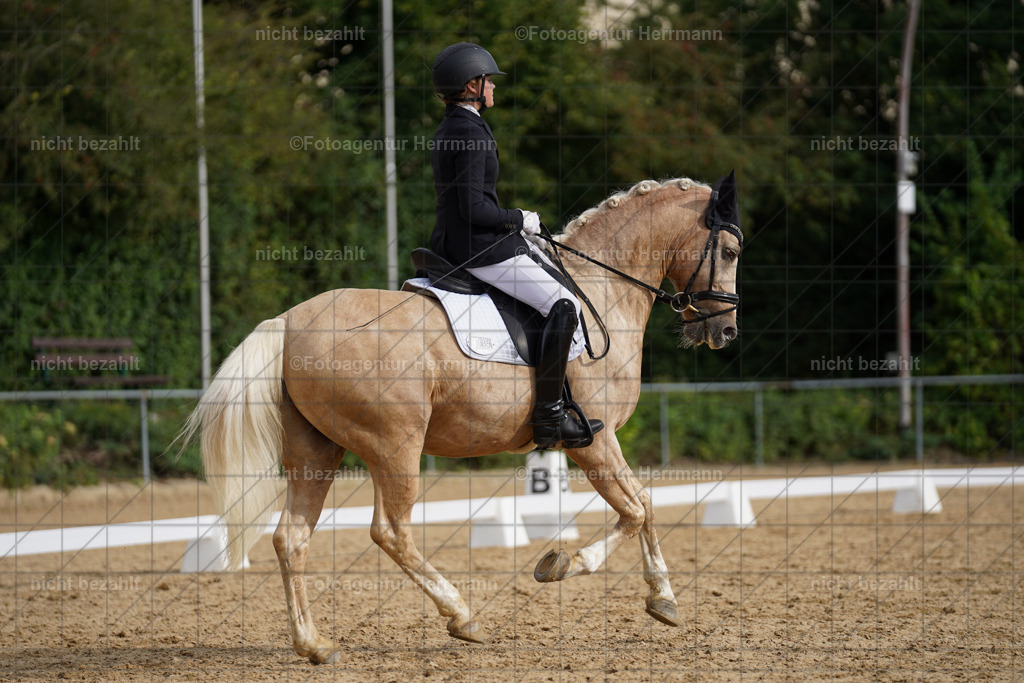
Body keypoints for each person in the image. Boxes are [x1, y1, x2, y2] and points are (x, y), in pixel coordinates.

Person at [428, 42, 603, 449]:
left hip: (458, 242)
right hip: (479, 248)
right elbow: (474, 207)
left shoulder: (452, 125)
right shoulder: (468, 132)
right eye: (490, 82)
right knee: (564, 304)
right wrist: (517, 218)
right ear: (473, 85)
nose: (495, 89)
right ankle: (549, 418)